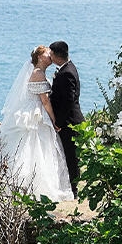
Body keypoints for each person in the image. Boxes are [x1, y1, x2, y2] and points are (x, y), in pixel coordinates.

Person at [0, 46, 73, 202]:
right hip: (36, 114)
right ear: (40, 57)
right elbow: (45, 101)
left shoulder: (38, 72)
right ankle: (30, 185)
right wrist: (54, 119)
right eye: (47, 54)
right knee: (33, 147)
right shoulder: (38, 73)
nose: (50, 56)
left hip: (35, 111)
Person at [48, 40, 84, 197]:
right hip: (68, 120)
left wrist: (59, 122)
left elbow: (69, 101)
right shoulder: (67, 68)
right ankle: (70, 187)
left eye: (51, 54)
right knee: (68, 155)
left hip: (70, 122)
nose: (50, 57)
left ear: (57, 55)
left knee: (71, 156)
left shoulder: (67, 73)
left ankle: (74, 190)